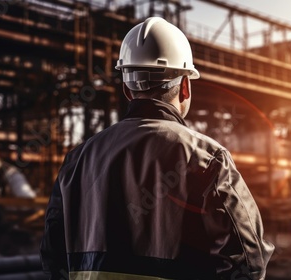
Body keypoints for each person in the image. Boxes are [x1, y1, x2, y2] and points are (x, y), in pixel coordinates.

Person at [40, 17, 274, 280]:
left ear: (127, 89)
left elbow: (52, 258)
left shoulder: (77, 160)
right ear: (185, 86)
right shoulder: (207, 158)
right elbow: (248, 260)